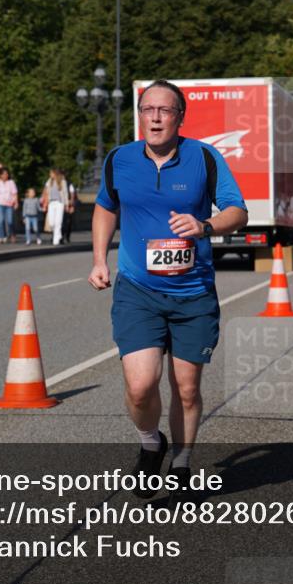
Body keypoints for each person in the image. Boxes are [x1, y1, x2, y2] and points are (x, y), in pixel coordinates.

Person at [89, 79, 248, 498]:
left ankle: (181, 461)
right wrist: (100, 259)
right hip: (138, 290)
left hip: (192, 293)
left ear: (180, 117)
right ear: (139, 115)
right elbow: (106, 207)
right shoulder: (119, 159)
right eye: (148, 110)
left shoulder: (204, 157)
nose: (155, 117)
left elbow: (237, 210)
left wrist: (205, 226)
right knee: (141, 385)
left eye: (165, 110)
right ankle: (149, 443)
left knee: (187, 388)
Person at [0, 168, 18, 244]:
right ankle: (1, 237)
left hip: (9, 204)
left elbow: (14, 193)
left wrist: (16, 202)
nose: (5, 175)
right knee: (0, 221)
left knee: (10, 221)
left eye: (7, 174)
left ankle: (12, 234)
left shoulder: (11, 182)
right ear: (0, 175)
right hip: (0, 204)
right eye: (4, 174)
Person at [41, 168, 68, 246]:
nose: (50, 175)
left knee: (58, 222)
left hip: (60, 203)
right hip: (51, 203)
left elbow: (65, 193)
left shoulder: (63, 182)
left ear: (55, 173)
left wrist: (66, 204)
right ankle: (59, 235)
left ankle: (56, 240)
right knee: (52, 222)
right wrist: (44, 202)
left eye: (51, 173)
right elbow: (45, 191)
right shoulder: (49, 181)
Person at [61, 174, 77, 244]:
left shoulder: (69, 184)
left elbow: (72, 195)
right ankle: (60, 237)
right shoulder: (57, 184)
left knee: (67, 223)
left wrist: (72, 206)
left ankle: (67, 237)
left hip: (68, 206)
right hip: (61, 205)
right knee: (60, 223)